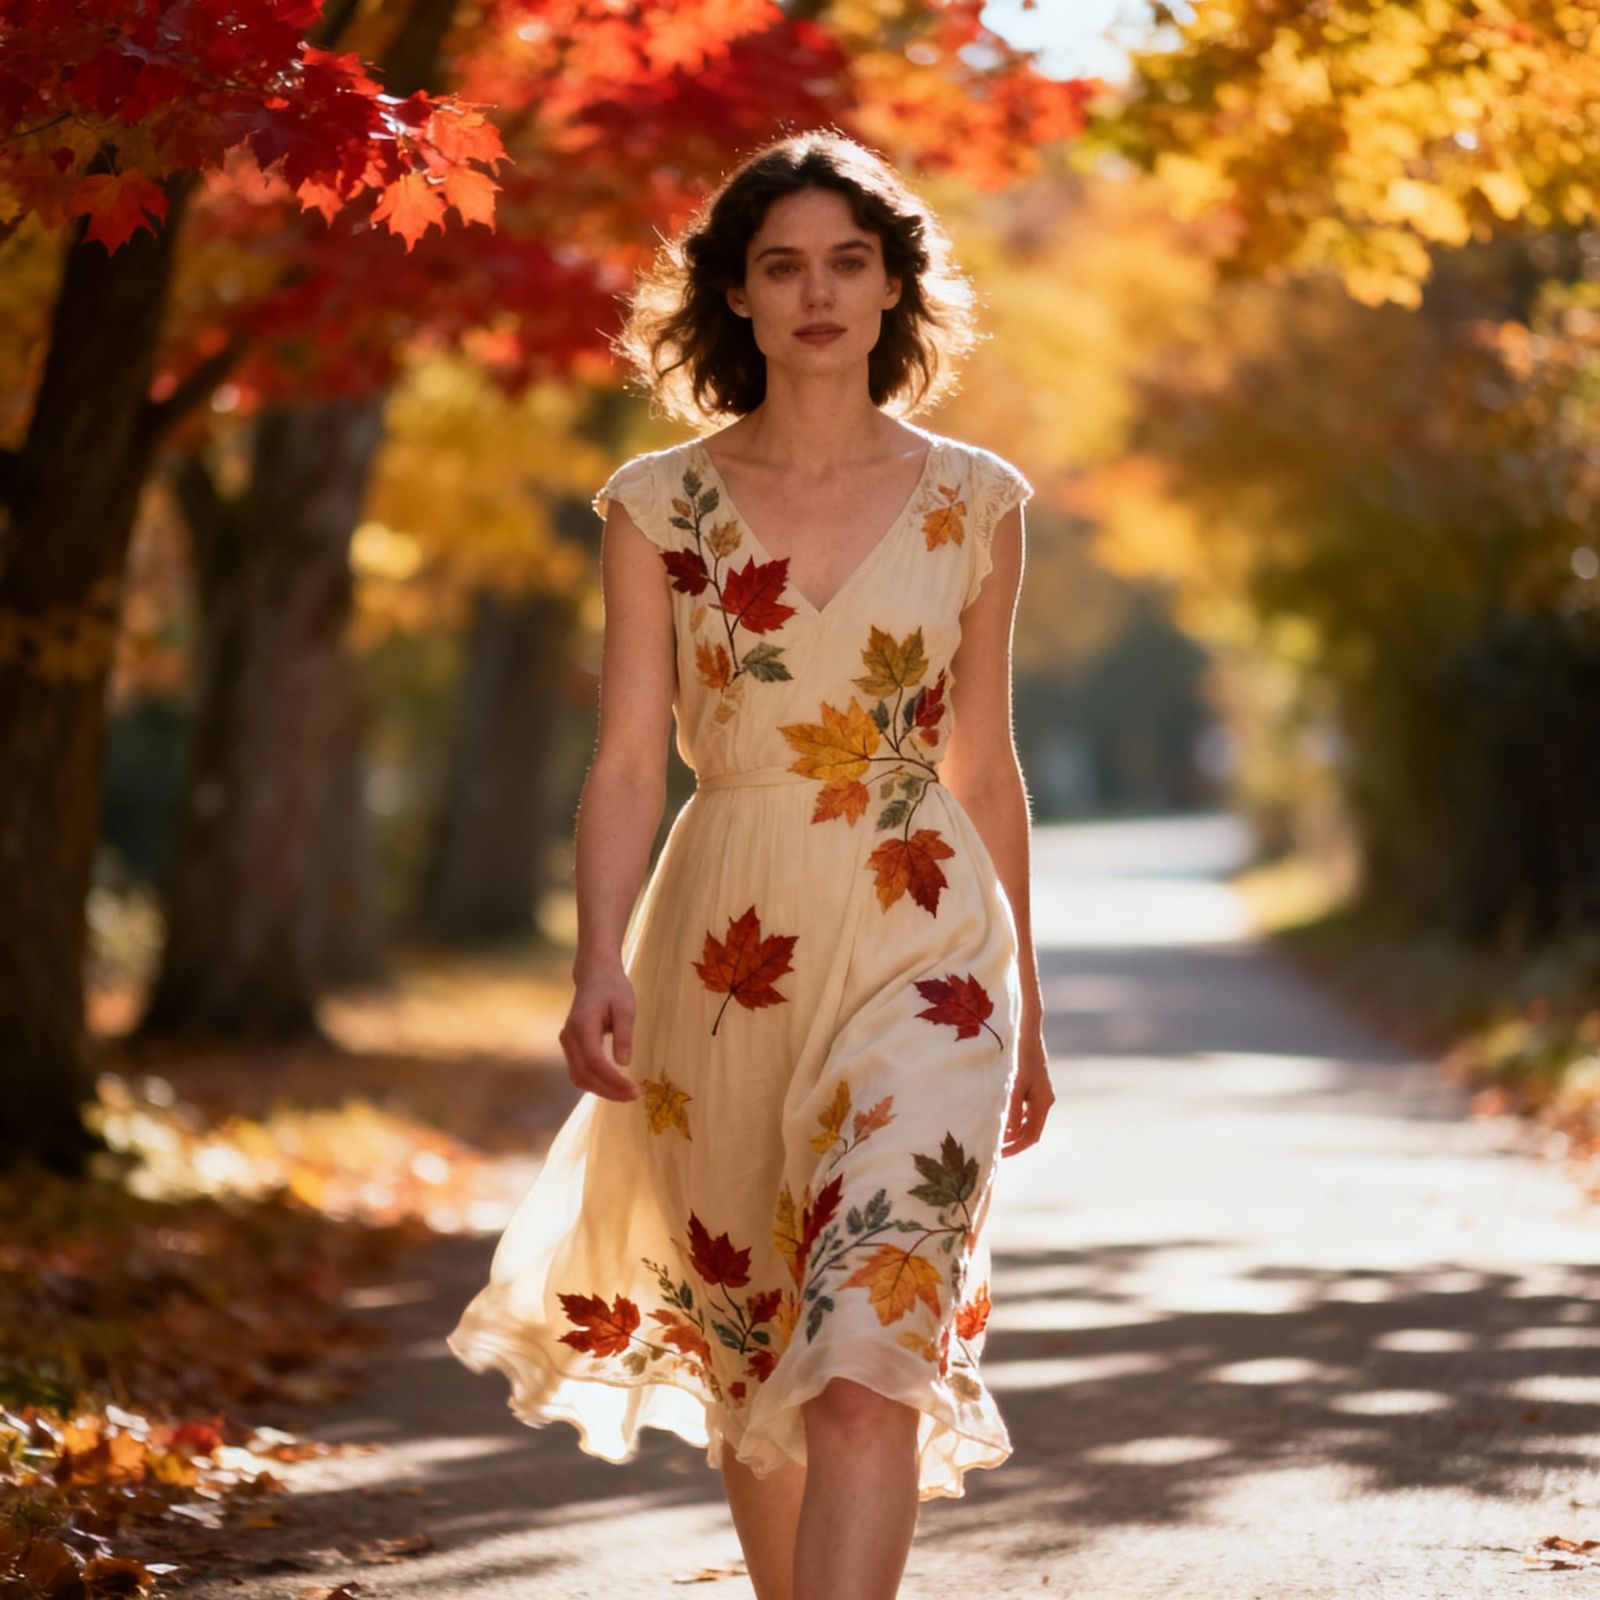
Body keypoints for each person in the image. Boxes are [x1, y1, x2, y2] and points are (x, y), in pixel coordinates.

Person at [446, 128, 1054, 1600]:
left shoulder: (979, 501)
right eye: (782, 265)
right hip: (722, 952)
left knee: (865, 1357)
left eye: (850, 261)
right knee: (763, 1349)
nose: (818, 293)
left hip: (929, 949)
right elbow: (628, 762)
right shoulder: (662, 504)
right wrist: (597, 958)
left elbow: (984, 768)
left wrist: (1029, 1002)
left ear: (896, 286)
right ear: (737, 293)